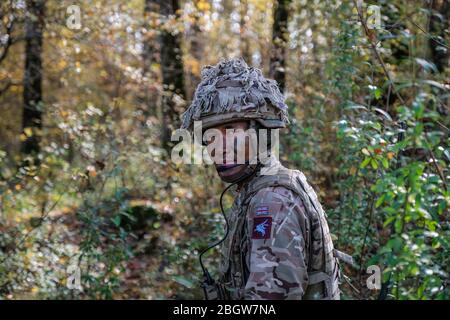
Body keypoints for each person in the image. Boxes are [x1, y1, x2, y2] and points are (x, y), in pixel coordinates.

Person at [180, 58, 341, 300]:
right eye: (210, 134)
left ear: (261, 132)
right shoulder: (258, 189)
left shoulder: (273, 201)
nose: (219, 146)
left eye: (232, 130)